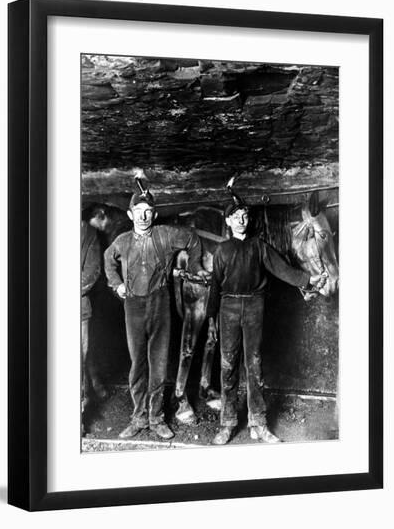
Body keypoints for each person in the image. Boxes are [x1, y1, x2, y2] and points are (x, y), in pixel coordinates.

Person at [207, 201, 327, 445]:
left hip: (254, 307)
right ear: (228, 222)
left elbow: (283, 269)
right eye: (236, 216)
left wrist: (309, 280)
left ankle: (259, 423)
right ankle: (227, 424)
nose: (241, 220)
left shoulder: (259, 246)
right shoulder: (222, 250)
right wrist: (211, 318)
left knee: (255, 365)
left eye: (244, 215)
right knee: (228, 366)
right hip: (228, 308)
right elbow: (215, 287)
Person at [104, 187, 208, 440]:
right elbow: (109, 258)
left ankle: (157, 417)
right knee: (137, 364)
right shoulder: (123, 241)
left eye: (148, 211)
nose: (143, 216)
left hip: (160, 303)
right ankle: (138, 418)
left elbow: (194, 241)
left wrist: (194, 265)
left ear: (154, 213)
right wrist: (116, 283)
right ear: (130, 215)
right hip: (133, 307)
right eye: (138, 212)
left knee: (159, 364)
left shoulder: (166, 234)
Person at [81, 205, 105, 416]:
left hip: (78, 308)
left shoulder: (88, 233)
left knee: (79, 355)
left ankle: (77, 414)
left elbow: (92, 270)